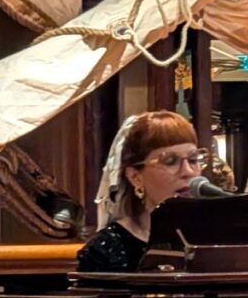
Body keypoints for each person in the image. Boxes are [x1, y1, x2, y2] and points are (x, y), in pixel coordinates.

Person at [77, 111, 207, 272]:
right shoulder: (104, 252)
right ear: (135, 177)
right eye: (170, 161)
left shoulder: (214, 238)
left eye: (193, 159)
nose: (188, 171)